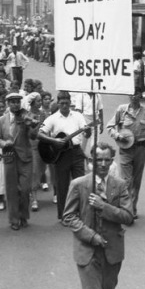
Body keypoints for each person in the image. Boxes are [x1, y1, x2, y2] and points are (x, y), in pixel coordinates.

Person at [62, 143, 133, 289]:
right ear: (90, 162)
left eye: (106, 160)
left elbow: (128, 216)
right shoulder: (78, 184)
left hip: (113, 252)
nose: (102, 164)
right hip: (87, 252)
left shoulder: (120, 185)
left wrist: (105, 207)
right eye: (98, 160)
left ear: (112, 162)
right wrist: (91, 236)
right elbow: (69, 217)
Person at [106, 92, 145, 219]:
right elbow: (110, 126)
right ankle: (125, 209)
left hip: (140, 149)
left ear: (140, 96)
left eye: (137, 94)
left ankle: (132, 208)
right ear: (129, 96)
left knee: (136, 181)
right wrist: (118, 135)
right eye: (132, 94)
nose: (134, 97)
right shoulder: (121, 110)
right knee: (126, 181)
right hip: (125, 150)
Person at [37, 91, 90, 220]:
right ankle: (63, 215)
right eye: (62, 103)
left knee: (81, 184)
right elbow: (40, 134)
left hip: (76, 152)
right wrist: (54, 141)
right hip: (61, 155)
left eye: (67, 103)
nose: (65, 106)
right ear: (58, 103)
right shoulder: (52, 118)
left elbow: (86, 134)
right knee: (62, 186)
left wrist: (88, 131)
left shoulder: (78, 116)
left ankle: (81, 214)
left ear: (70, 102)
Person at [0, 92, 36, 230]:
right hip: (10, 157)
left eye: (17, 102)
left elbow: (33, 136)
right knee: (12, 190)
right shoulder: (1, 120)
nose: (15, 104)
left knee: (25, 189)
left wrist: (31, 125)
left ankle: (24, 215)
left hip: (25, 158)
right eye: (12, 102)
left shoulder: (26, 116)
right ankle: (14, 219)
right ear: (8, 104)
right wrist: (4, 143)